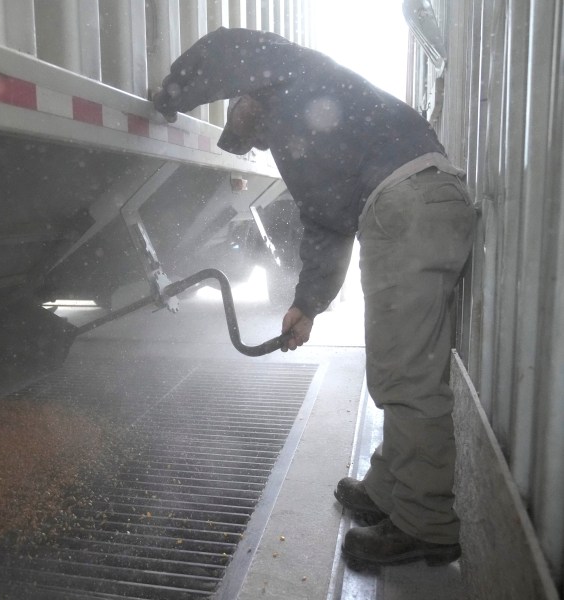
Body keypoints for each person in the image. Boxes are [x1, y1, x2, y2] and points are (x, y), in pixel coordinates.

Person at [153, 28, 476, 568]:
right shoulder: (317, 100)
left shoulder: (289, 81)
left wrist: (172, 95)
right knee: (403, 364)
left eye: (242, 120)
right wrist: (309, 306)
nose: (255, 142)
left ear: (247, 96)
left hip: (406, 205)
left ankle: (427, 524)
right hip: (423, 199)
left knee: (407, 377)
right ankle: (389, 488)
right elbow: (330, 224)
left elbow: (224, 48)